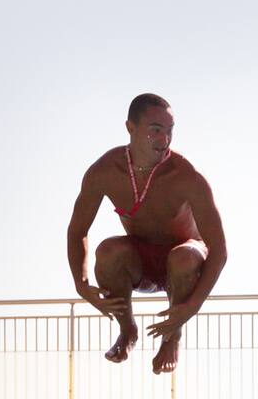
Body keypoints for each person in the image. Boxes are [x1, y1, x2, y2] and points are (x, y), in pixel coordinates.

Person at [65, 94, 228, 374]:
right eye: (155, 130)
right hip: (140, 260)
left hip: (185, 261)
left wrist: (192, 306)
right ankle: (127, 329)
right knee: (107, 251)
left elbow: (220, 250)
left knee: (183, 256)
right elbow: (77, 230)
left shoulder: (187, 176)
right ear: (131, 128)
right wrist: (80, 284)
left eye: (170, 131)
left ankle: (172, 337)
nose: (165, 140)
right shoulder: (105, 171)